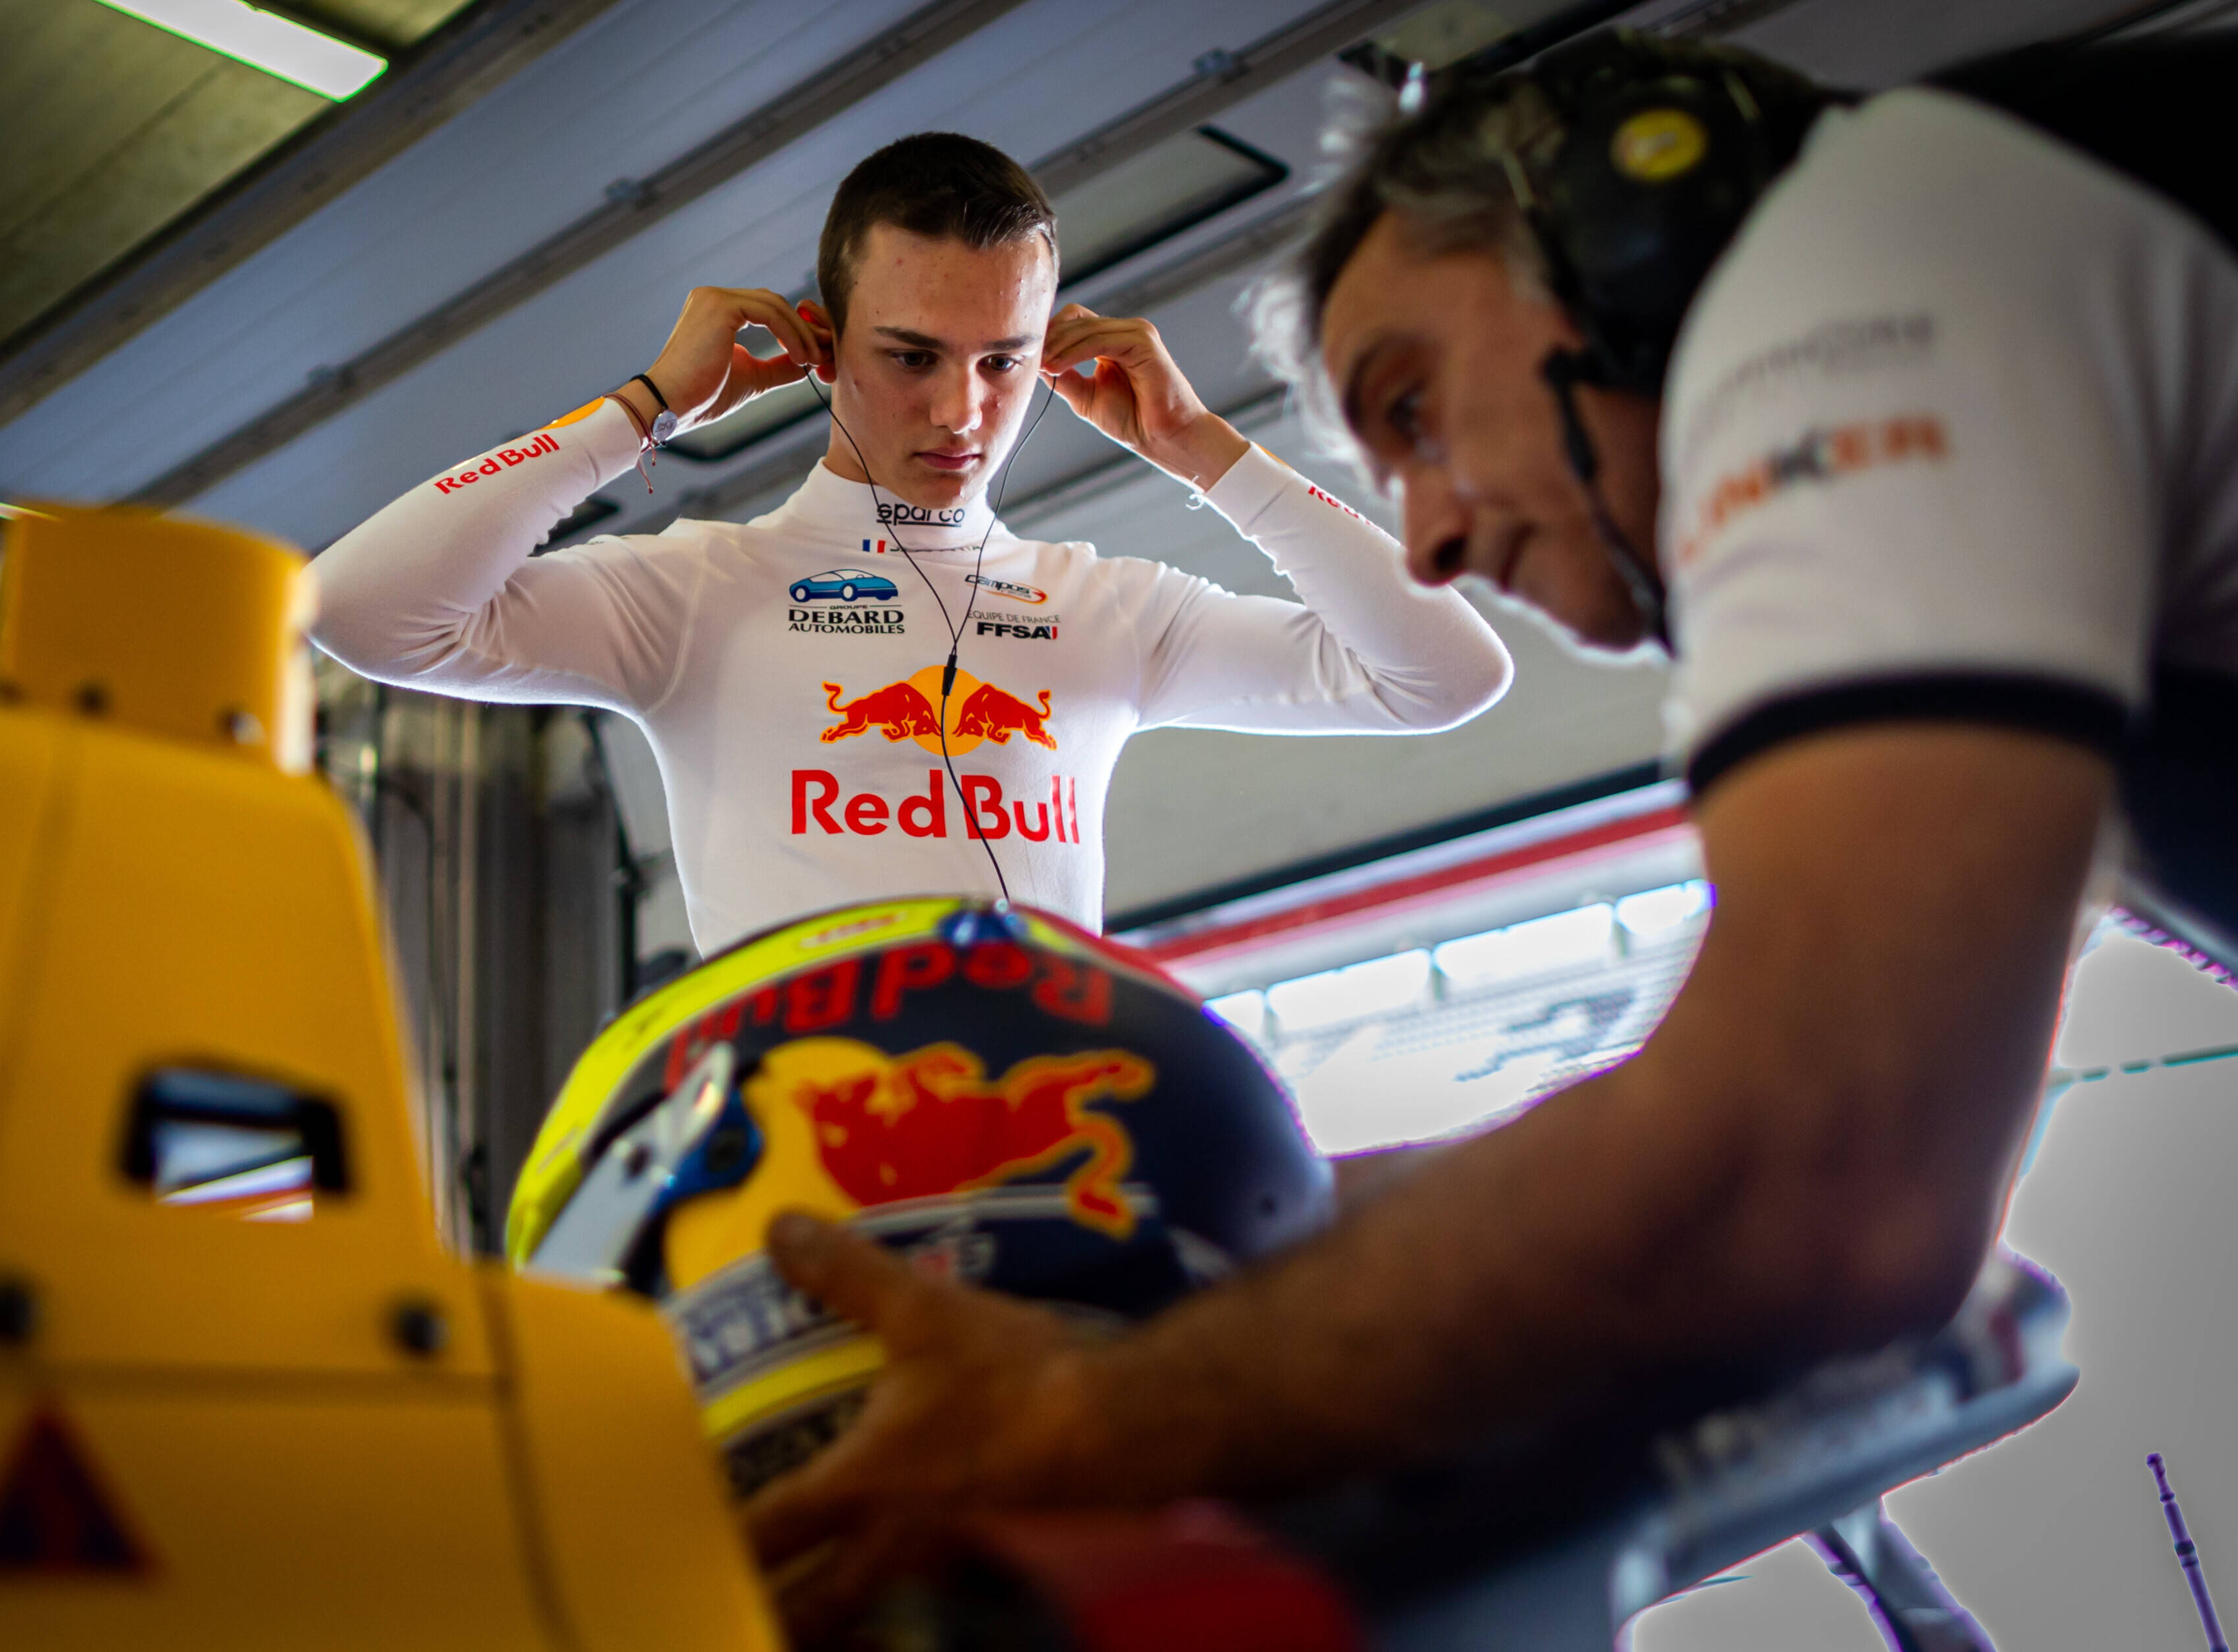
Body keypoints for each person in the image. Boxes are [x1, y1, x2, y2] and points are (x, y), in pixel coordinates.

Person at [734, 30, 2238, 1636]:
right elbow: (1748, 1118)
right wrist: (1197, 1284)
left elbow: (1809, 1169)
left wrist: (1097, 1420)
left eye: (1413, 405)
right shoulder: (2064, 470)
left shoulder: (1861, 263)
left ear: (1634, 228)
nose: (1435, 536)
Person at [312, 133, 1512, 957]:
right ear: (823, 345)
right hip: (798, 1197)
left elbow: (1446, 677)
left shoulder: (1112, 611)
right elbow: (354, 610)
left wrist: (1203, 449)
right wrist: (643, 409)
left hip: (1049, 1190)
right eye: (913, 356)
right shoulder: (689, 592)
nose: (963, 413)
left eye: (1006, 362)